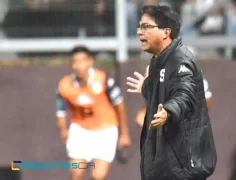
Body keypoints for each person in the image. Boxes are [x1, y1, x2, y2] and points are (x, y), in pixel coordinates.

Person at [126, 5, 217, 180]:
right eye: (139, 26)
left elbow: (185, 94)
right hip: (165, 164)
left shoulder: (179, 59)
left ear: (165, 32)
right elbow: (166, 90)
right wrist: (147, 87)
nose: (139, 32)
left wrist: (169, 111)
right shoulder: (158, 62)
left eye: (146, 27)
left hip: (181, 166)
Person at [56, 46, 131, 180]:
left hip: (105, 130)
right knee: (76, 173)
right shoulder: (64, 85)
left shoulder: (104, 80)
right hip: (80, 130)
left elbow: (119, 105)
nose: (79, 66)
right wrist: (63, 129)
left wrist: (124, 133)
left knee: (98, 176)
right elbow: (60, 111)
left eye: (82, 61)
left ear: (90, 62)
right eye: (75, 62)